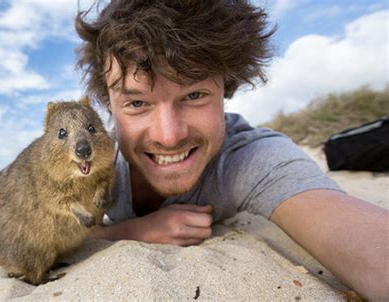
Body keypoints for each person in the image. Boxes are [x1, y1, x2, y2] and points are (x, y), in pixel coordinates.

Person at [74, 0, 388, 300]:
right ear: (110, 106)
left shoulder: (250, 157)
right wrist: (131, 231)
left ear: (227, 86)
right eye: (137, 103)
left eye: (194, 95)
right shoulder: (86, 161)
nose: (168, 137)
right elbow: (30, 235)